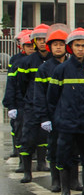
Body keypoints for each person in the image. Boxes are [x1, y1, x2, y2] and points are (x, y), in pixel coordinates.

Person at [47, 29, 84, 195]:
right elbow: (52, 97)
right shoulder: (61, 69)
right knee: (64, 155)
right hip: (67, 122)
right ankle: (65, 189)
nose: (80, 49)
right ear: (71, 47)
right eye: (77, 45)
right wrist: (54, 118)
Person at [34, 25, 70, 194]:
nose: (58, 47)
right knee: (55, 149)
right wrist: (44, 117)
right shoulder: (44, 68)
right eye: (54, 44)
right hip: (54, 115)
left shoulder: (73, 65)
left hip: (72, 115)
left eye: (61, 44)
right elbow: (39, 95)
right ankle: (56, 180)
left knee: (74, 150)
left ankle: (73, 181)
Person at [13, 24, 51, 184]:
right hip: (31, 106)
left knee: (44, 137)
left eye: (44, 39)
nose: (42, 43)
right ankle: (27, 171)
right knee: (27, 137)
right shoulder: (27, 61)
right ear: (34, 41)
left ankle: (42, 162)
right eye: (39, 40)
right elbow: (20, 84)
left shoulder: (54, 61)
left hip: (49, 106)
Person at [4, 29, 35, 170]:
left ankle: (36, 156)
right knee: (19, 130)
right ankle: (22, 158)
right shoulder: (16, 61)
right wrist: (11, 104)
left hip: (34, 102)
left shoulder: (41, 60)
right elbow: (13, 84)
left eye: (32, 45)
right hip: (21, 102)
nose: (31, 48)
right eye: (28, 46)